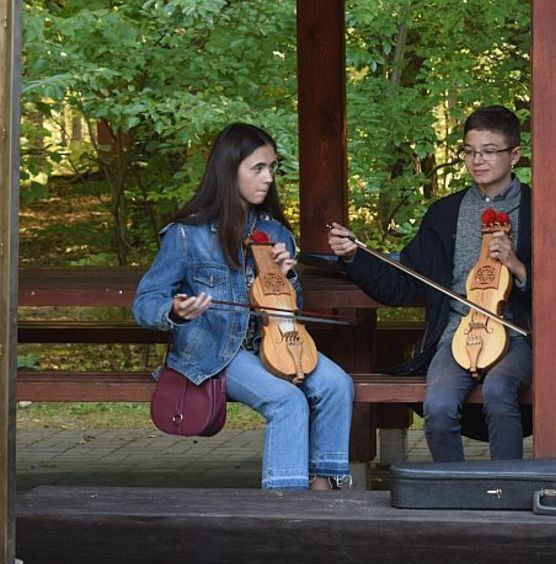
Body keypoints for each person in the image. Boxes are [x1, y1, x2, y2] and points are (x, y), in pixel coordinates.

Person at [134, 123, 355, 491]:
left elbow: (291, 309)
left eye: (272, 168)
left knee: (337, 384)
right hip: (217, 352)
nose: (268, 178)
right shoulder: (186, 233)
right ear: (229, 169)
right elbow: (145, 303)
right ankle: (283, 509)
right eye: (258, 168)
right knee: (287, 401)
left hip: (273, 344)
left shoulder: (276, 232)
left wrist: (288, 277)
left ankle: (324, 490)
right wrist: (175, 311)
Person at [328, 106, 531, 463]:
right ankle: (453, 491)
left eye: (488, 151)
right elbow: (405, 281)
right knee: (437, 406)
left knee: (500, 392)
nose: (477, 160)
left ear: (514, 154)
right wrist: (354, 256)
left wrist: (516, 265)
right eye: (469, 151)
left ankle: (505, 490)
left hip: (518, 337)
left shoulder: (537, 209)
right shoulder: (444, 213)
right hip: (455, 335)